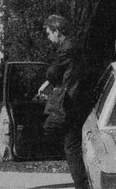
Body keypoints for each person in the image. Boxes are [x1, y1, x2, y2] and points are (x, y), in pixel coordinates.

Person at [38, 14, 90, 189]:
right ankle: (82, 183)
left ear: (56, 31)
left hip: (70, 101)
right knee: (72, 143)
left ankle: (82, 185)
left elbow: (53, 72)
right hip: (78, 98)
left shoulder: (65, 48)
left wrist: (49, 78)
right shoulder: (73, 45)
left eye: (49, 33)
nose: (48, 37)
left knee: (66, 141)